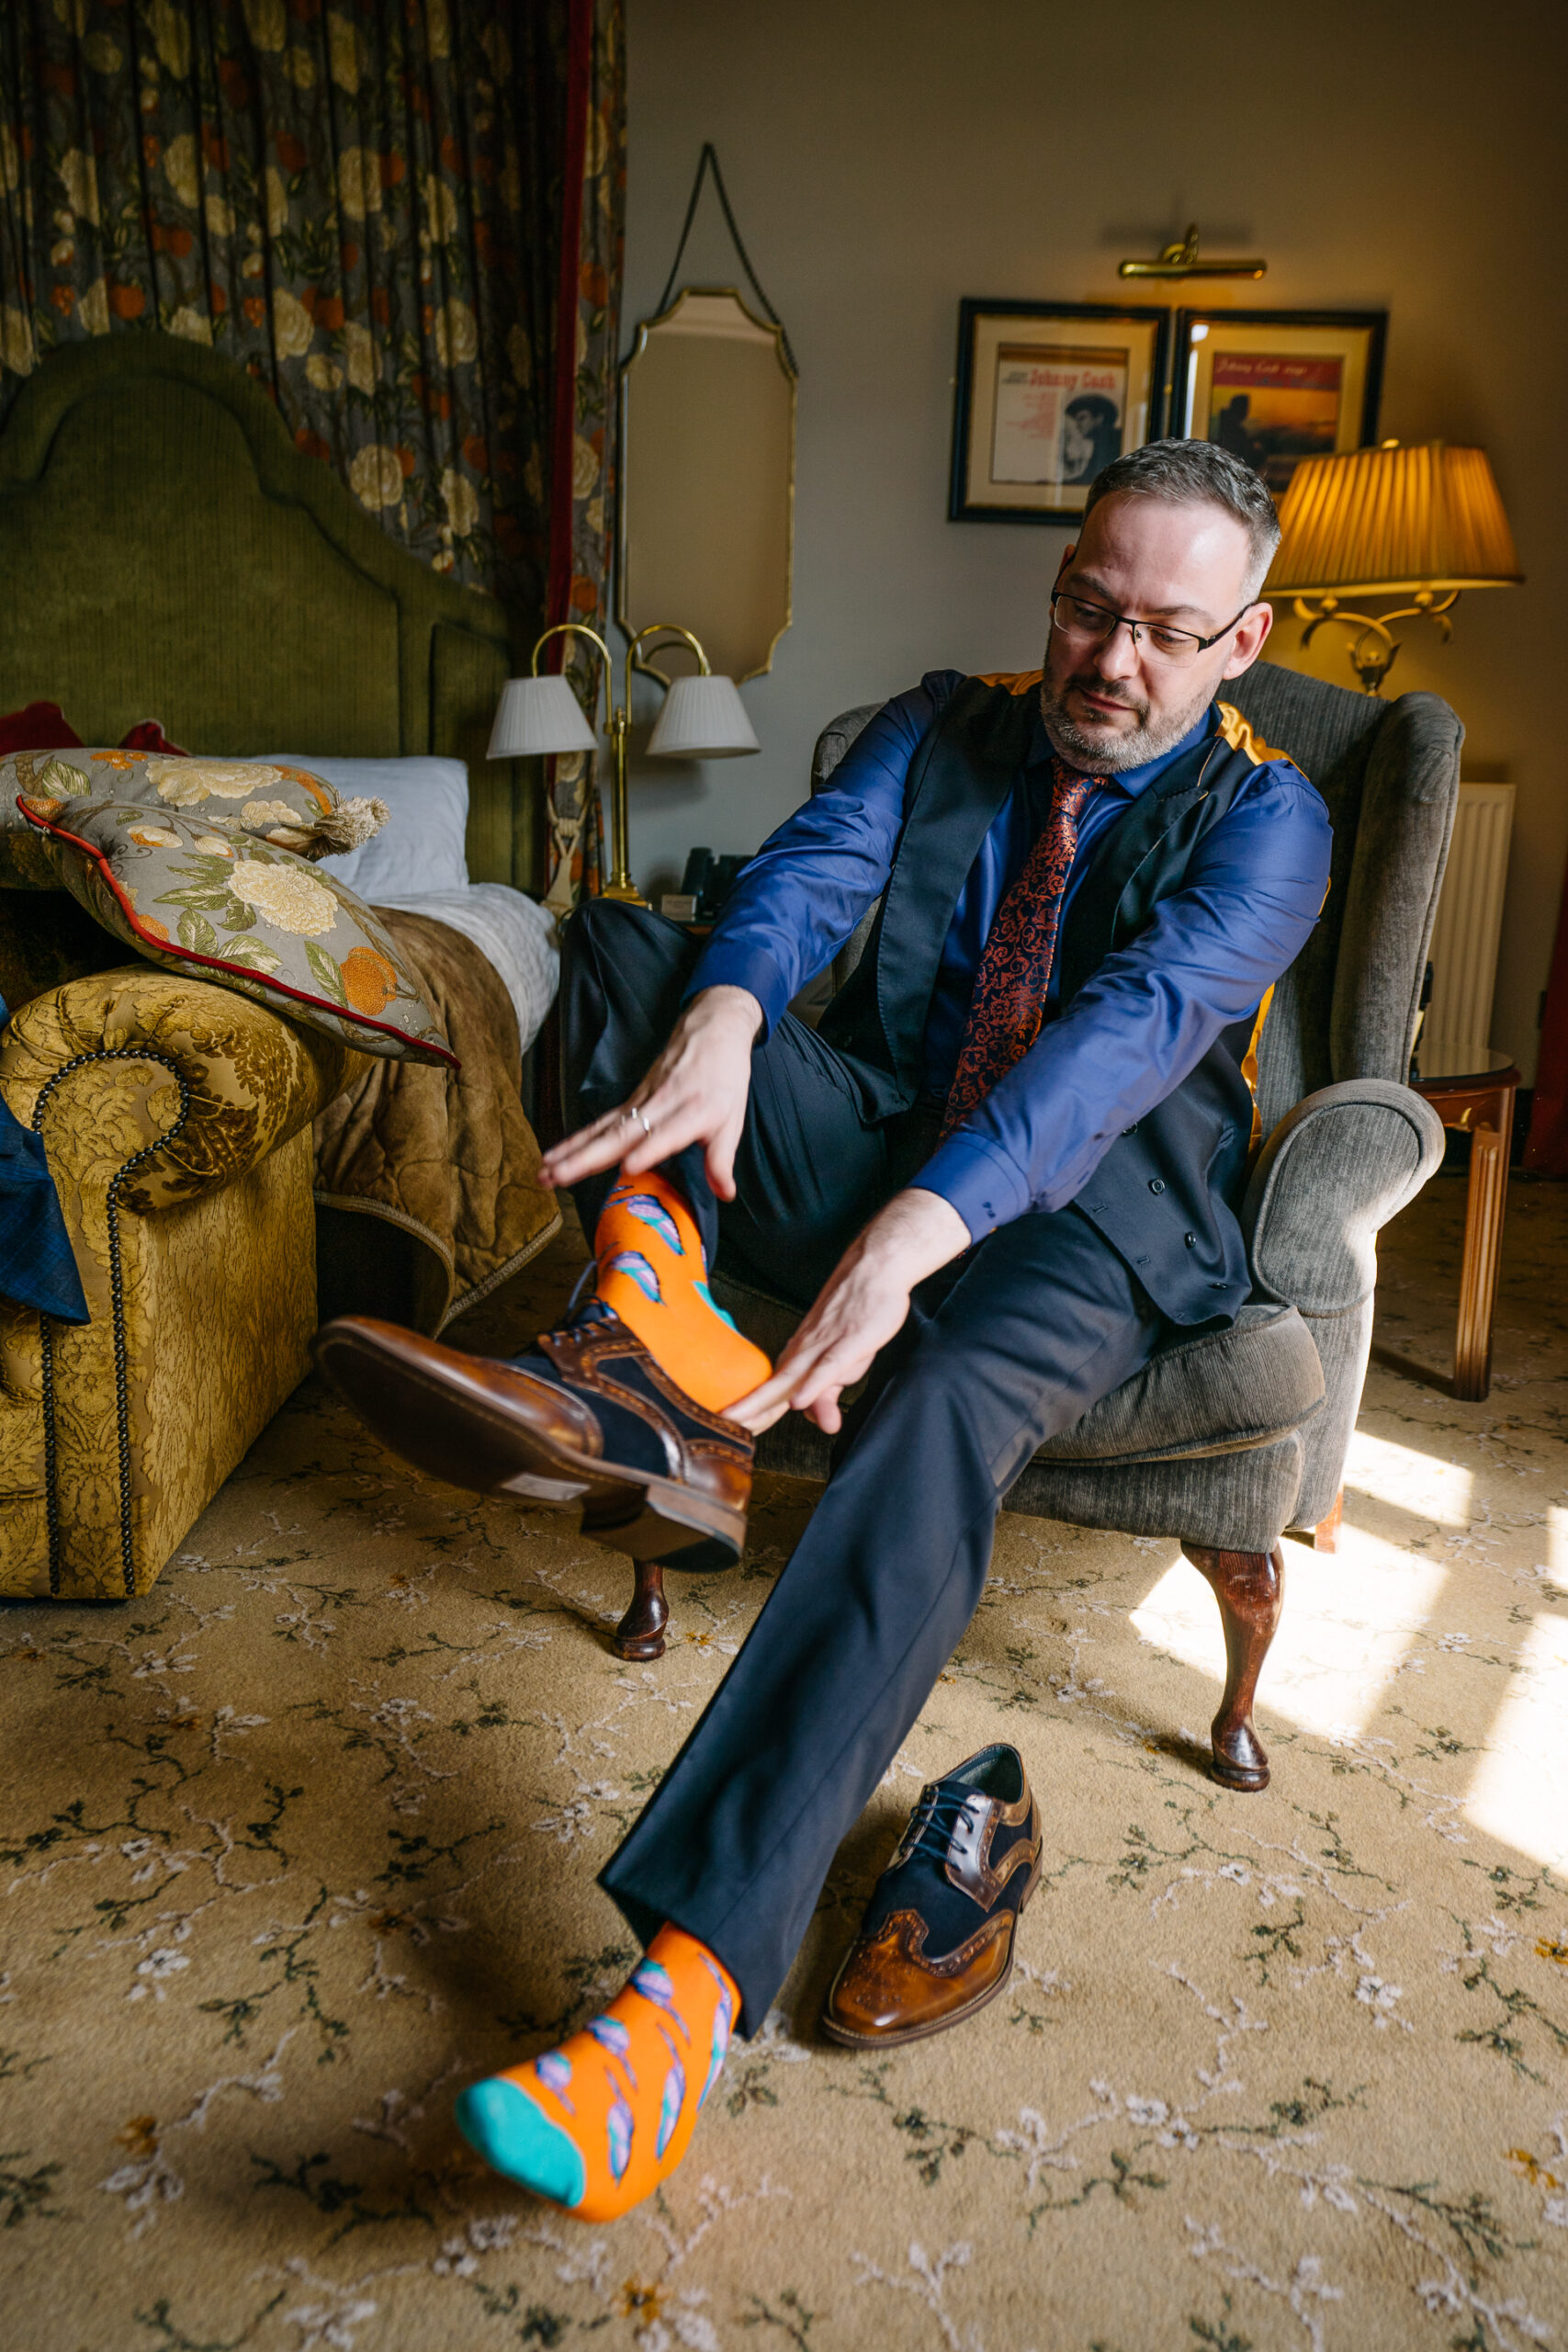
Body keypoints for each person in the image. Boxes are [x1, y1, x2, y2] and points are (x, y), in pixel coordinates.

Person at [316, 437, 1332, 2223]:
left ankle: (682, 1999)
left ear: (1238, 644)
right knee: (627, 953)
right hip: (885, 1114)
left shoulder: (1268, 822)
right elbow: (800, 872)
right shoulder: (939, 722)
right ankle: (647, 1370)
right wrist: (722, 1010)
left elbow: (1127, 1035)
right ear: (1056, 590)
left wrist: (911, 1235)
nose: (1110, 661)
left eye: (1166, 633)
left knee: (938, 1390)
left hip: (1097, 1208)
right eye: (1088, 608)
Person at [1060, 390, 1122, 486]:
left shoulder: (1111, 441)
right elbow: (1089, 478)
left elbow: (1094, 480)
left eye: (1082, 418)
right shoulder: (1102, 441)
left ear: (1099, 419)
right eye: (1075, 420)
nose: (1077, 424)